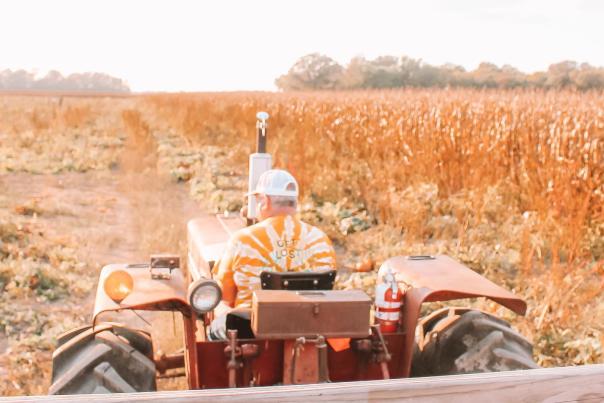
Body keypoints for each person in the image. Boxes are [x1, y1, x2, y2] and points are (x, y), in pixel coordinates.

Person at [210, 169, 336, 338]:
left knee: (218, 312)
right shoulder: (321, 240)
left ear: (265, 201)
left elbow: (226, 296)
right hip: (309, 330)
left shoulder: (242, 240)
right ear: (295, 204)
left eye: (257, 200)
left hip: (250, 334)